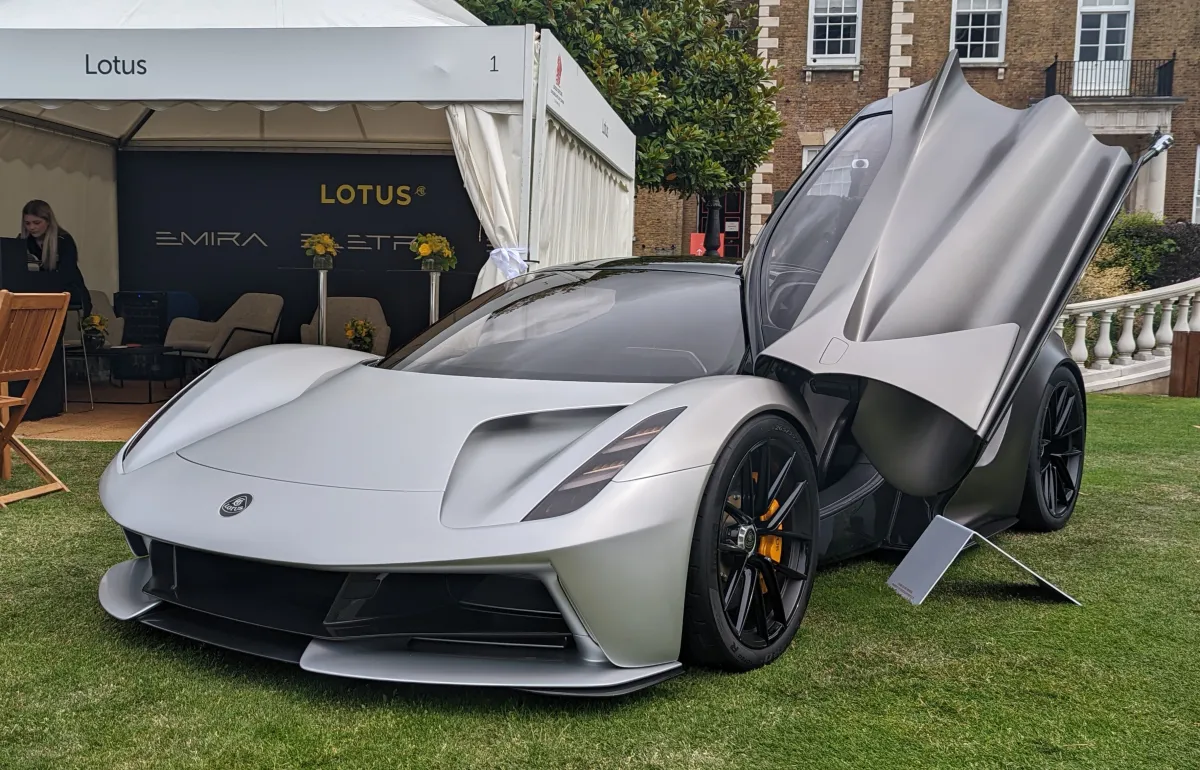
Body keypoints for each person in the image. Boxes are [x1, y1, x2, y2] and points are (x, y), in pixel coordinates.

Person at [20, 199, 92, 315]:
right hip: (41, 293)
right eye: (27, 223)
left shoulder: (63, 240)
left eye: (37, 223)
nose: (31, 227)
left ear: (48, 221)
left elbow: (66, 275)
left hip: (69, 293)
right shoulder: (24, 241)